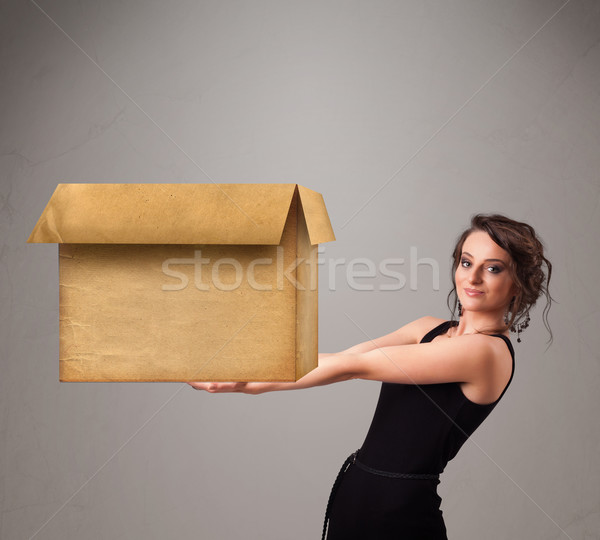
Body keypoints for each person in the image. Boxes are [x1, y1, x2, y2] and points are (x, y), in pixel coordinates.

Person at [188, 213, 553, 539]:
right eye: (466, 261)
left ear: (518, 282)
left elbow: (354, 367)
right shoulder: (429, 328)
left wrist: (243, 378)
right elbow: (345, 358)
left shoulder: (486, 353)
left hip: (401, 517)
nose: (472, 276)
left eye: (493, 268)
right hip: (355, 498)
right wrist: (243, 374)